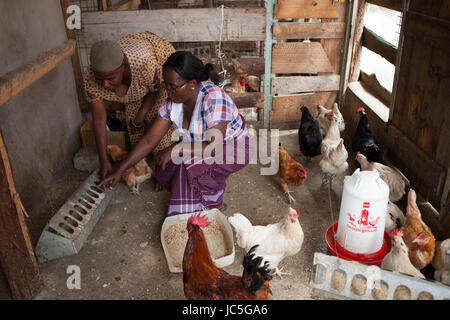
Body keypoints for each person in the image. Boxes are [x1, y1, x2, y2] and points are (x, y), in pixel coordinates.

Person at [99, 51, 254, 216]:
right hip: (202, 145)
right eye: (166, 85)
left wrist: (176, 149)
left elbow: (213, 147)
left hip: (234, 147)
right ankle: (210, 179)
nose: (168, 92)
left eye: (173, 87)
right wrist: (120, 169)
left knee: (190, 167)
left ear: (192, 84)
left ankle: (214, 202)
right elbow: (148, 140)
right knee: (163, 169)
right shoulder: (173, 103)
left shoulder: (212, 98)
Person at [83, 31, 176, 180]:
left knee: (158, 131)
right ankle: (143, 168)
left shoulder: (145, 64)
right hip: (137, 83)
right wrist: (104, 161)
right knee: (135, 132)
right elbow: (100, 120)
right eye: (100, 79)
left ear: (124, 65)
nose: (105, 85)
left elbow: (154, 92)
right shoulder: (91, 78)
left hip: (159, 74)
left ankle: (163, 171)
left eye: (111, 78)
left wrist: (139, 118)